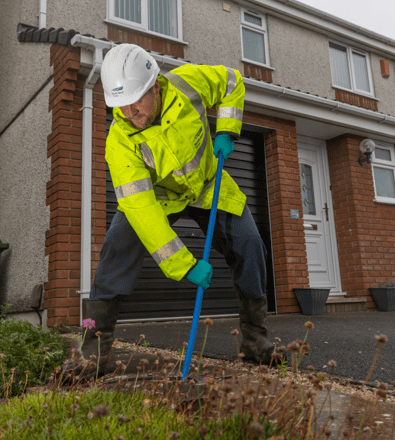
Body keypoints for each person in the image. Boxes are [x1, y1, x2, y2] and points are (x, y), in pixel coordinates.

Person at [80, 43, 279, 369]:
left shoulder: (187, 83)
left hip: (206, 184)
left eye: (136, 103)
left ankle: (256, 343)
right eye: (121, 107)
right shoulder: (119, 141)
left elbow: (231, 82)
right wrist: (184, 265)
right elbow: (142, 211)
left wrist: (228, 128)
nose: (131, 115)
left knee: (250, 245)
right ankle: (93, 355)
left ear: (154, 86)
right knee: (115, 251)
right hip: (156, 198)